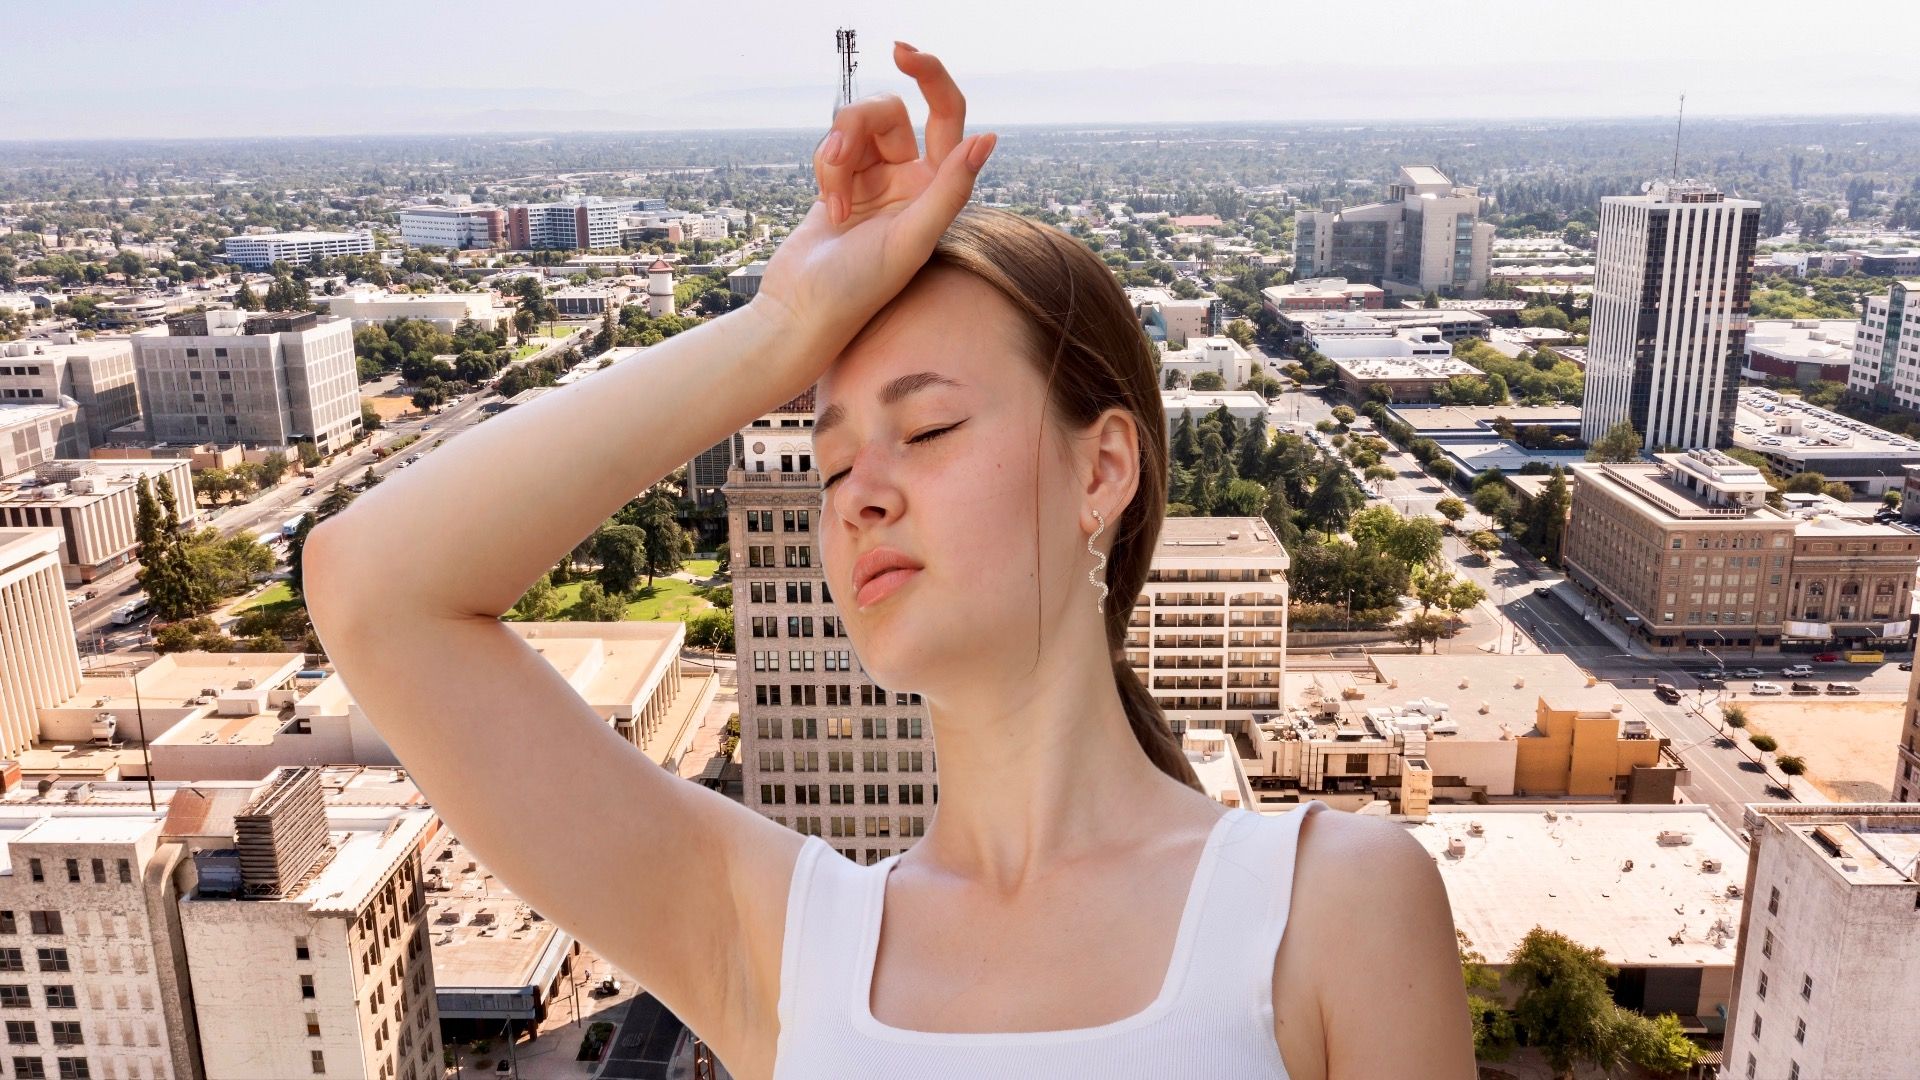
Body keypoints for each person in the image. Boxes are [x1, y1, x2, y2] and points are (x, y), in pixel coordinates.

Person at [305, 42, 1473, 1080]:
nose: (859, 491)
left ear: (1102, 471)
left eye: (927, 429)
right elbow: (372, 587)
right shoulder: (792, 947)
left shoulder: (1329, 907)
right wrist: (778, 326)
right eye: (828, 464)